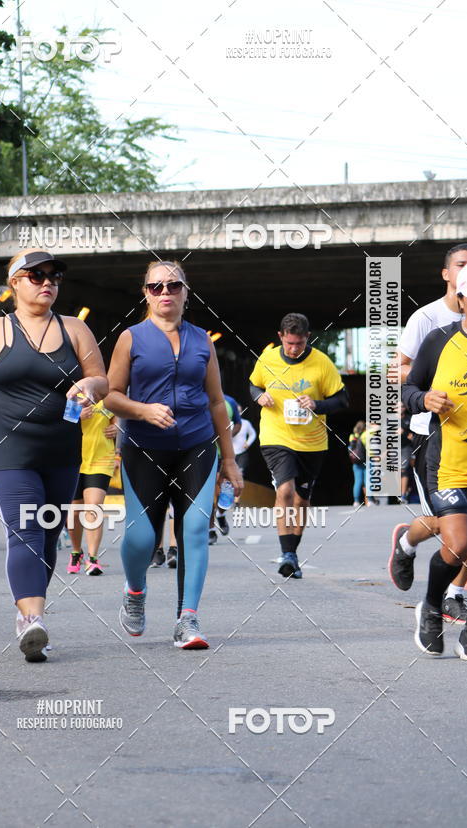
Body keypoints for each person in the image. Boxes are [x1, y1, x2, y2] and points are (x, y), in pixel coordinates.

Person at [0, 249, 108, 662]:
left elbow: (102, 380)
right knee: (26, 529)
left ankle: (29, 615)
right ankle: (33, 620)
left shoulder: (75, 329)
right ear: (14, 282)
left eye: (54, 276)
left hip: (61, 450)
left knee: (48, 534)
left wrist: (89, 387)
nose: (47, 282)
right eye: (36, 275)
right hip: (7, 449)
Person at [105, 260, 243, 649]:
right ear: (145, 294)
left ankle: (188, 619)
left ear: (186, 292)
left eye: (173, 285)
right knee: (142, 537)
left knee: (195, 529)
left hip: (197, 447)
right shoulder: (131, 338)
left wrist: (229, 459)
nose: (165, 292)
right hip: (144, 449)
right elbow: (111, 395)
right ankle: (135, 591)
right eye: (156, 287)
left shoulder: (203, 341)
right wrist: (142, 410)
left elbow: (216, 402)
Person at [389, 243, 467, 623]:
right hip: (432, 437)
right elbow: (399, 372)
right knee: (450, 525)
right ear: (447, 274)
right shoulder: (428, 320)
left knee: (465, 528)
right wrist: (428, 395)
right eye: (461, 264)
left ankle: (456, 593)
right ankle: (408, 541)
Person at [249, 313, 348, 578]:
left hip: (312, 442)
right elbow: (253, 386)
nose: (294, 349)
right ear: (280, 337)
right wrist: (259, 397)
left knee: (302, 499)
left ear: (307, 338)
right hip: (276, 436)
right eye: (289, 343)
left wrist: (317, 404)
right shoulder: (267, 359)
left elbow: (342, 400)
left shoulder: (322, 363)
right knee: (285, 490)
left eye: (300, 344)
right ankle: (286, 553)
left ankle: (292, 554)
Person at [65, 401, 117, 576]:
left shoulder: (107, 395)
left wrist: (117, 428)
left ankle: (93, 559)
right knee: (74, 511)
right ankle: (76, 552)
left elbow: (117, 418)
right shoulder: (71, 394)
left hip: (101, 458)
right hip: (72, 458)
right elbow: (56, 423)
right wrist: (76, 417)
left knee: (94, 507)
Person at [210, 393, 242, 540]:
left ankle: (220, 514)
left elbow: (238, 423)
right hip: (204, 453)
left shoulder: (229, 401)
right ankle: (210, 529)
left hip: (223, 453)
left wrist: (226, 436)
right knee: (209, 493)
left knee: (224, 491)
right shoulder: (195, 398)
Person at [348, 420, 367, 507]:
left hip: (355, 462)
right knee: (367, 481)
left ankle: (356, 501)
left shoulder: (352, 436)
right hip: (365, 460)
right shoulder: (365, 435)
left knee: (357, 481)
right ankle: (369, 500)